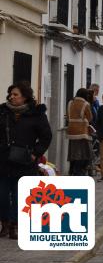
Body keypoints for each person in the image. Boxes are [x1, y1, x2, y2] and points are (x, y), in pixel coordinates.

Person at [0, 82, 52, 239]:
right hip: (3, 161)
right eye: (11, 94)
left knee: (19, 195)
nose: (12, 97)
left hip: (24, 162)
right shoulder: (3, 112)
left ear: (25, 97)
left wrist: (35, 153)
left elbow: (46, 136)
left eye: (16, 94)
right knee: (2, 195)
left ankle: (15, 226)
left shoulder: (36, 114)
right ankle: (5, 223)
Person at [66, 88, 94, 176]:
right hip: (82, 132)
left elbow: (68, 117)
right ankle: (78, 172)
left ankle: (71, 171)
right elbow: (90, 118)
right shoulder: (85, 104)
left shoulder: (70, 103)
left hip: (71, 132)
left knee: (73, 153)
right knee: (83, 154)